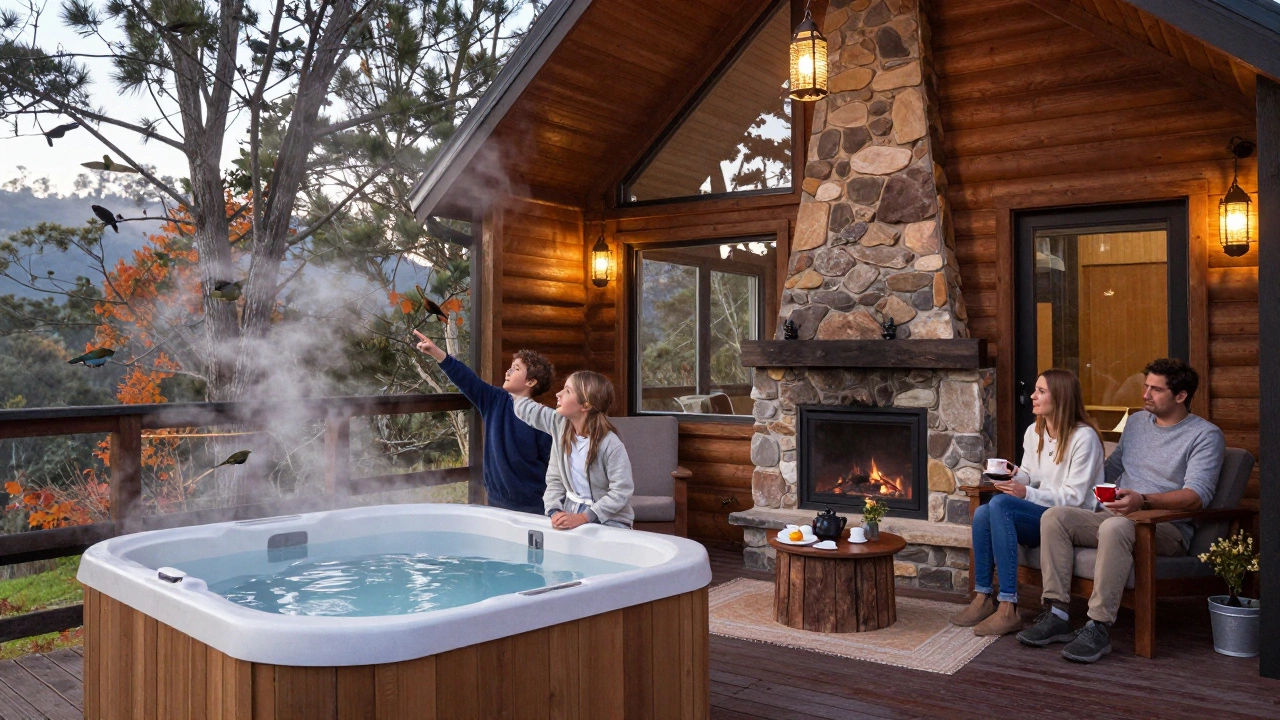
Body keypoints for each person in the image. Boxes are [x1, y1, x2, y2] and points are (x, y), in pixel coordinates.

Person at [1017, 358, 1225, 663]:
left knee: (1114, 527)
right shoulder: (1138, 422)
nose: (1145, 395)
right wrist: (1083, 482)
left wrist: (1143, 500)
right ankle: (1057, 614)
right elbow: (1111, 469)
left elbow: (1197, 497)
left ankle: (1098, 627)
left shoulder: (1205, 436)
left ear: (1181, 396)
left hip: (1164, 526)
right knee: (1055, 516)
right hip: (1116, 513)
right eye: (1145, 386)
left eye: (1156, 389)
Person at [951, 369, 1104, 636]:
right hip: (1041, 514)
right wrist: (1013, 474)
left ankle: (1009, 606)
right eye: (1035, 389)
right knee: (983, 513)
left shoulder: (1084, 438)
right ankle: (984, 597)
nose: (1032, 396)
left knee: (999, 505)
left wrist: (1026, 493)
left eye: (1041, 391)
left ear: (1061, 397)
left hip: (1069, 519)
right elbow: (1032, 475)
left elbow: (1077, 496)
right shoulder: (1035, 431)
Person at [413, 330, 553, 514]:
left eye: (516, 369)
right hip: (496, 500)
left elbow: (552, 465)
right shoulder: (494, 400)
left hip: (532, 505)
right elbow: (466, 379)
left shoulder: (542, 418)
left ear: (531, 382)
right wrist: (435, 352)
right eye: (511, 366)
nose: (508, 371)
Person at [514, 370, 635, 529]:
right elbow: (555, 480)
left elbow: (621, 491)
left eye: (567, 391)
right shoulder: (560, 427)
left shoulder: (610, 444)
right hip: (571, 511)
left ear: (586, 405)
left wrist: (584, 517)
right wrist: (554, 511)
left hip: (611, 519)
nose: (558, 393)